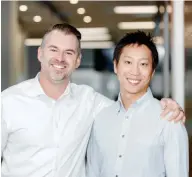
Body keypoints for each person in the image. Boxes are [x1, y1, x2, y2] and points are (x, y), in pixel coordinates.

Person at [1, 23, 186, 177]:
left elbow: (128, 108)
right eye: (53, 50)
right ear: (40, 53)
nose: (60, 58)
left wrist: (170, 106)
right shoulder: (8, 102)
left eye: (69, 52)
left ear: (78, 60)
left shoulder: (90, 101)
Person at [86, 31, 189, 177]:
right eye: (128, 62)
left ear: (152, 71)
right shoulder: (101, 118)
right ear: (116, 66)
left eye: (143, 64)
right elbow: (92, 171)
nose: (135, 71)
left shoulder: (169, 120)